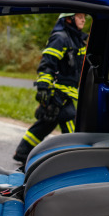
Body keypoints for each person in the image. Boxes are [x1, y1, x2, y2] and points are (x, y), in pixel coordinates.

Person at [13, 12, 88, 164]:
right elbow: (47, 64)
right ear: (69, 19)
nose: (83, 20)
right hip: (57, 93)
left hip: (67, 93)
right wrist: (43, 88)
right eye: (80, 17)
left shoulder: (77, 39)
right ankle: (77, 157)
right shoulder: (60, 38)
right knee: (70, 123)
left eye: (84, 17)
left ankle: (22, 152)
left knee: (47, 123)